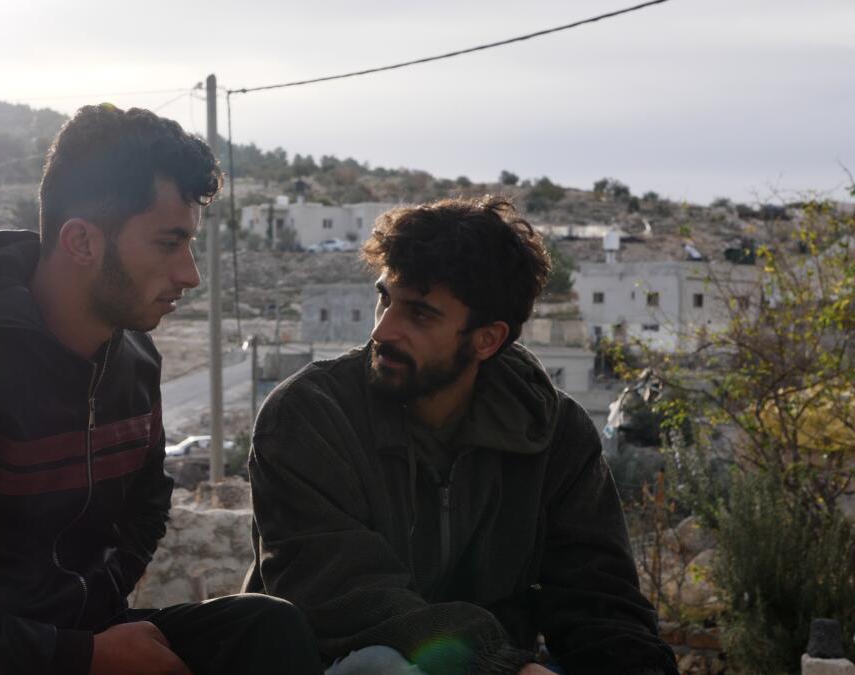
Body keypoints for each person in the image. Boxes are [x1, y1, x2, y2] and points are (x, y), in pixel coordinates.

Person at [0, 104, 322, 675]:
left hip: (86, 642)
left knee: (267, 629)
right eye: (169, 243)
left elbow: (148, 502)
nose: (190, 273)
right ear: (81, 242)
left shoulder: (134, 359)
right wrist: (82, 655)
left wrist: (101, 607)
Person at [244, 197, 677, 675]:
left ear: (487, 339)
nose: (384, 331)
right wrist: (501, 667)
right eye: (384, 298)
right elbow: (348, 597)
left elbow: (600, 600)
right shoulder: (309, 416)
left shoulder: (554, 433)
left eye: (420, 314)